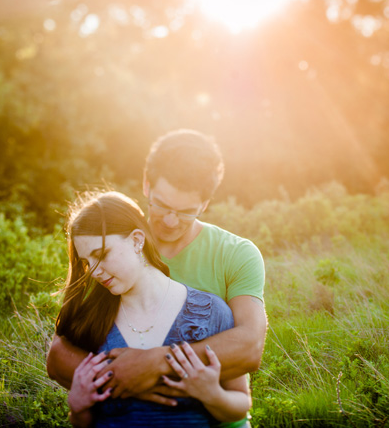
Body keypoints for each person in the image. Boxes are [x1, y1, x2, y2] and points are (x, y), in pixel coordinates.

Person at [47, 129, 267, 410]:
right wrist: (124, 379)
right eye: (161, 205)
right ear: (146, 184)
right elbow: (58, 357)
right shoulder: (114, 246)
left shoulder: (236, 254)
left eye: (187, 211)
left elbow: (250, 347)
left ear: (205, 204)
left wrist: (156, 364)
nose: (171, 221)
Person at [59, 191, 251, 427]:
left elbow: (241, 404)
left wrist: (213, 395)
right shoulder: (90, 322)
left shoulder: (211, 312)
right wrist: (77, 408)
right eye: (86, 262)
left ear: (137, 240)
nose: (93, 272)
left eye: (102, 255)